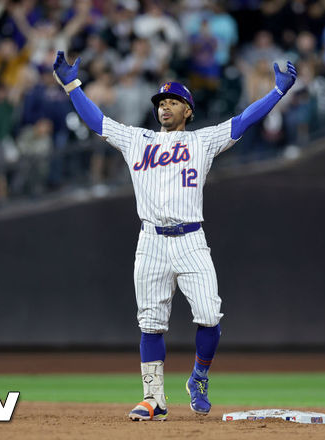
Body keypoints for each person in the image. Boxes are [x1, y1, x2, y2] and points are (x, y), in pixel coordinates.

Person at [53, 50, 297, 421]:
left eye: (174, 102)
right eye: (162, 102)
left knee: (210, 317)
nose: (165, 107)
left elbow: (244, 119)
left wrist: (277, 92)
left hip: (191, 240)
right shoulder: (138, 140)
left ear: (189, 111)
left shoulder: (203, 141)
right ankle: (154, 399)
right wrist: (72, 85)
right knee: (150, 322)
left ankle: (198, 377)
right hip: (150, 240)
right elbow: (97, 121)